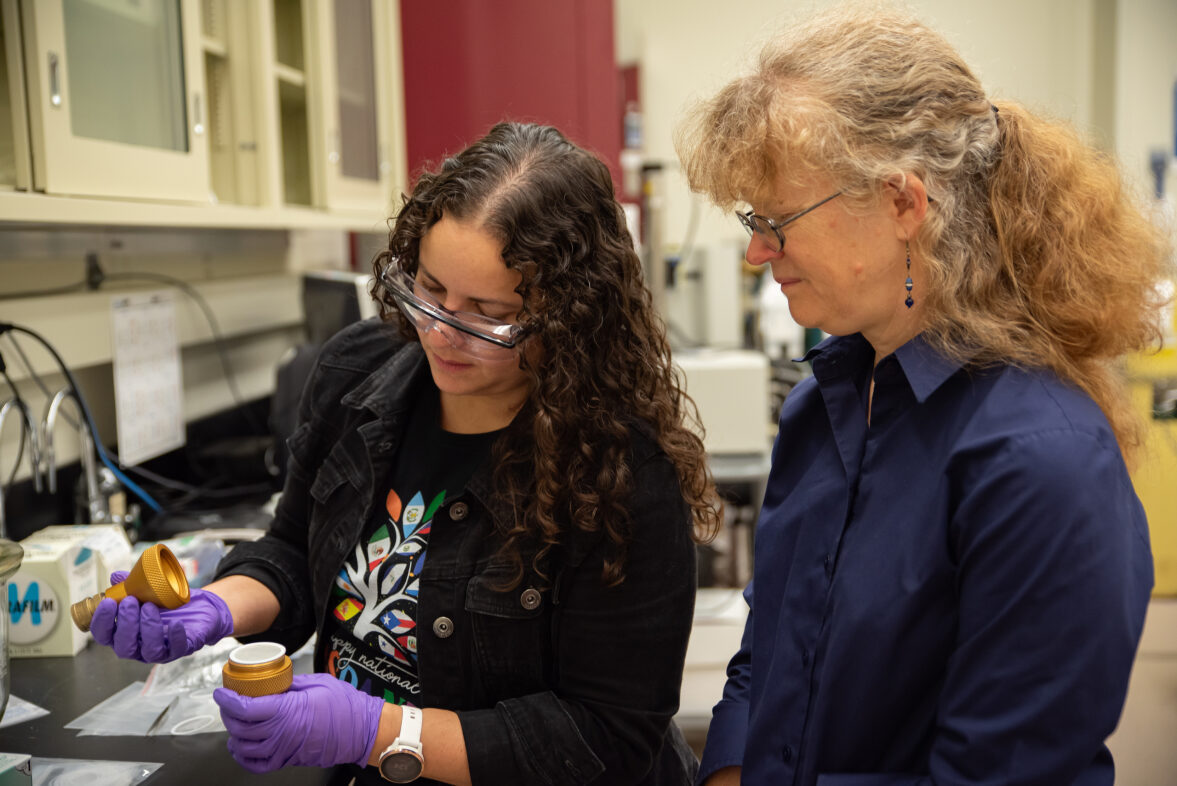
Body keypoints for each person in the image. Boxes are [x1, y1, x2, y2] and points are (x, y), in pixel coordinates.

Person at [90, 121, 722, 785]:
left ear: (568, 315)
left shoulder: (620, 471)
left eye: (486, 312)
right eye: (428, 289)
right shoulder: (355, 372)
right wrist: (215, 608)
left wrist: (377, 730)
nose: (441, 332)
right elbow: (295, 551)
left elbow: (606, 738)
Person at [674, 6, 1172, 786]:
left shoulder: (1039, 459)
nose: (755, 251)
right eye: (752, 219)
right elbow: (765, 659)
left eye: (779, 221)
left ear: (905, 204)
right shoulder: (823, 409)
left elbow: (1000, 773)